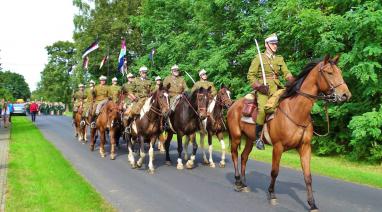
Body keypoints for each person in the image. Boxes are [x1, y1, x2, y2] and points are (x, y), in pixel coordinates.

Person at [247, 33, 294, 150]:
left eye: (276, 44)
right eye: (273, 44)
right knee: (262, 110)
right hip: (264, 90)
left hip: (278, 88)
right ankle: (258, 138)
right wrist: (259, 86)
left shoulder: (280, 59)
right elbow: (250, 76)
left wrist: (292, 80)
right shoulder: (259, 58)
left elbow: (286, 72)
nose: (275, 46)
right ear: (266, 44)